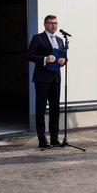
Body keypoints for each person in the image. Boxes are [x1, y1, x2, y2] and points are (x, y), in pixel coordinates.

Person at [27, 15, 66, 149]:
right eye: (51, 23)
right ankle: (42, 140)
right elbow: (29, 55)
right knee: (41, 110)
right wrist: (45, 58)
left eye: (55, 23)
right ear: (45, 24)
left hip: (56, 79)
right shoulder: (38, 38)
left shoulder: (60, 40)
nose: (54, 25)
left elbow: (63, 57)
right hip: (42, 79)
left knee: (55, 110)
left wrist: (63, 61)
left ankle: (54, 139)